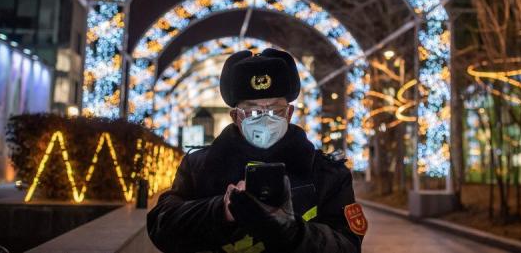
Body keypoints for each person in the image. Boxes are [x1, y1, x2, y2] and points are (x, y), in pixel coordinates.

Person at [147, 48, 367, 253]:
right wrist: (222, 210)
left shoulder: (326, 172)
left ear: (289, 113)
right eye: (253, 112)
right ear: (235, 116)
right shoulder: (199, 167)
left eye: (275, 110)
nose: (265, 119)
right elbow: (162, 226)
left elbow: (347, 245)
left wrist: (291, 229)